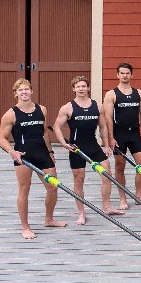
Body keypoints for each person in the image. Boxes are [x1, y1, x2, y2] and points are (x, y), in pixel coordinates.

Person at [1, 78, 65, 239]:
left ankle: (49, 219)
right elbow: (2, 138)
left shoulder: (41, 109)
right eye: (20, 90)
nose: (24, 92)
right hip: (22, 155)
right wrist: (12, 152)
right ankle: (25, 227)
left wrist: (50, 151)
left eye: (27, 89)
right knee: (24, 190)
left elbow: (44, 132)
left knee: (52, 187)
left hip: (42, 153)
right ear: (15, 93)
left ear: (32, 91)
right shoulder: (10, 114)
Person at [51, 76, 106, 224]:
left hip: (93, 147)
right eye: (78, 86)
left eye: (83, 86)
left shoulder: (97, 106)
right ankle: (81, 213)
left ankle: (106, 207)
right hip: (76, 149)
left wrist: (106, 145)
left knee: (107, 176)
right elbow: (56, 126)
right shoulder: (68, 107)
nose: (81, 89)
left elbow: (103, 127)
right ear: (73, 89)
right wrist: (63, 143)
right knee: (79, 180)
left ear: (88, 88)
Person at [104, 62, 141, 205]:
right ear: (117, 75)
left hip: (134, 134)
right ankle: (122, 198)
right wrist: (111, 138)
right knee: (120, 166)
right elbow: (108, 118)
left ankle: (139, 195)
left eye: (127, 73)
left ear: (131, 74)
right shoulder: (111, 94)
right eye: (122, 73)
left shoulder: (139, 93)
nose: (124, 75)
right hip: (119, 136)